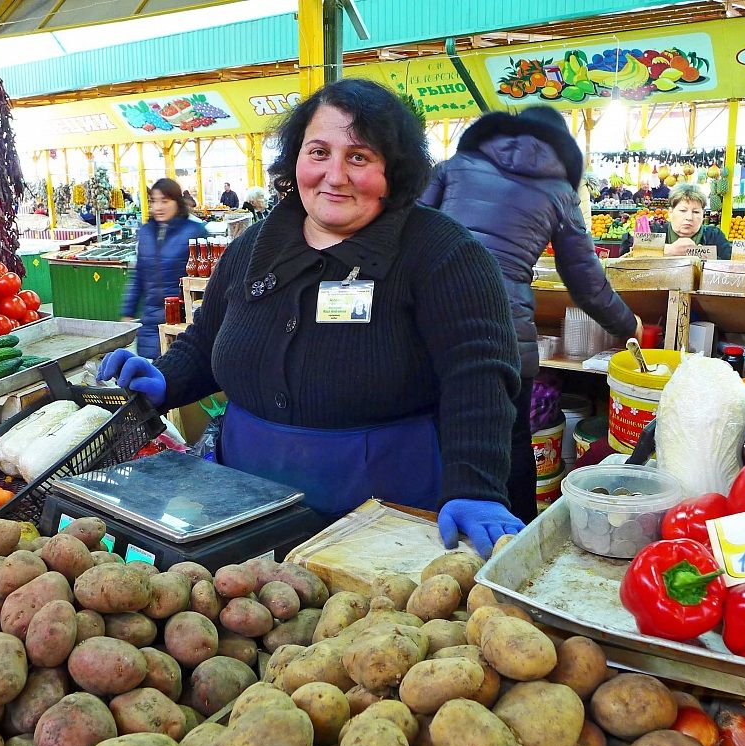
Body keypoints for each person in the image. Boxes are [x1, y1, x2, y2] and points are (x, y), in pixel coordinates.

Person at [98, 78, 523, 555]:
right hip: (244, 506)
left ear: (394, 170)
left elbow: (479, 379)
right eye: (318, 152)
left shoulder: (446, 254)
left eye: (358, 157)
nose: (334, 175)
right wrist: (166, 379)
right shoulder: (253, 246)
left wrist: (476, 486)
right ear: (295, 159)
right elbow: (205, 340)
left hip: (385, 517)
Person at [420, 105, 637, 524]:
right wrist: (629, 325)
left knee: (431, 432)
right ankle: (512, 540)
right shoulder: (559, 192)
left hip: (433, 320)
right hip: (504, 331)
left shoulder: (455, 166)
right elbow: (586, 282)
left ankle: (426, 528)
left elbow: (407, 230)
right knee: (512, 441)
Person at [120, 178, 208, 359]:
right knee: (151, 374)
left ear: (177, 202)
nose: (158, 207)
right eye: (153, 201)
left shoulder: (195, 231)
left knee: (181, 371)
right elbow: (138, 277)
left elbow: (206, 280)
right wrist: (127, 312)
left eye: (165, 201)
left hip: (185, 321)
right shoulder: (145, 232)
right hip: (151, 319)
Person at [623, 184, 731, 259]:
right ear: (670, 212)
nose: (689, 217)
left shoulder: (714, 235)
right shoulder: (655, 232)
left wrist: (699, 254)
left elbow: (730, 264)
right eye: (683, 211)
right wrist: (667, 250)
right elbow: (628, 253)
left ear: (703, 214)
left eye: (696, 212)